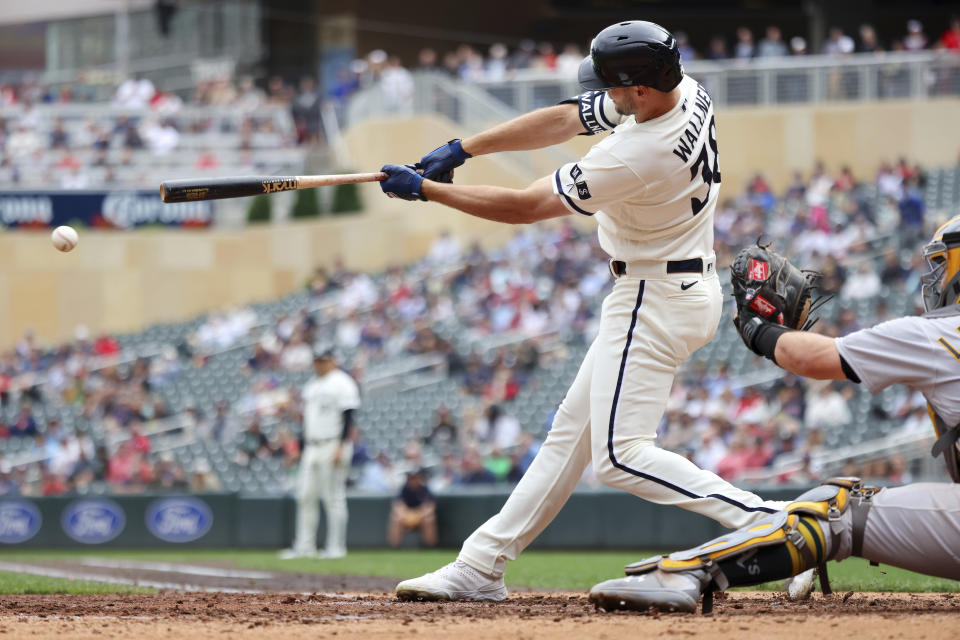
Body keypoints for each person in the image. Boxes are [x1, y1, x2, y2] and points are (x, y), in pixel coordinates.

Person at [380, 20, 786, 602]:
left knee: (621, 456)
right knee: (568, 438)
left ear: (639, 90)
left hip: (654, 295)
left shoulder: (639, 152)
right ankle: (481, 564)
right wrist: (462, 149)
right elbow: (569, 116)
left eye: (614, 87)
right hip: (671, 285)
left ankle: (775, 526)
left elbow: (524, 206)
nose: (603, 95)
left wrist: (428, 190)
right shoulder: (683, 90)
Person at [589, 218, 960, 612]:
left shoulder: (940, 333)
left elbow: (809, 357)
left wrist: (755, 327)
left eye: (941, 263)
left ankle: (686, 571)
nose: (933, 278)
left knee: (834, 509)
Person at [280, 349, 360, 559]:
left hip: (332, 443)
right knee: (305, 496)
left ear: (333, 360)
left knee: (333, 497)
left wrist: (341, 446)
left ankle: (336, 547)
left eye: (323, 360)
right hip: (311, 446)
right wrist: (298, 447)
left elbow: (349, 416)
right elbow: (308, 421)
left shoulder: (343, 382)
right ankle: (304, 547)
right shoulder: (312, 385)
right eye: (316, 360)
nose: (319, 364)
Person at [388, 470, 438, 548]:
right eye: (411, 479)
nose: (413, 481)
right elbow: (398, 506)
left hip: (421, 516)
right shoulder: (404, 489)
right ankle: (394, 548)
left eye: (415, 478)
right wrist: (407, 516)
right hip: (406, 516)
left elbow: (430, 507)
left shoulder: (424, 489)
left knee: (429, 519)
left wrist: (417, 516)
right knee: (396, 519)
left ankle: (430, 547)